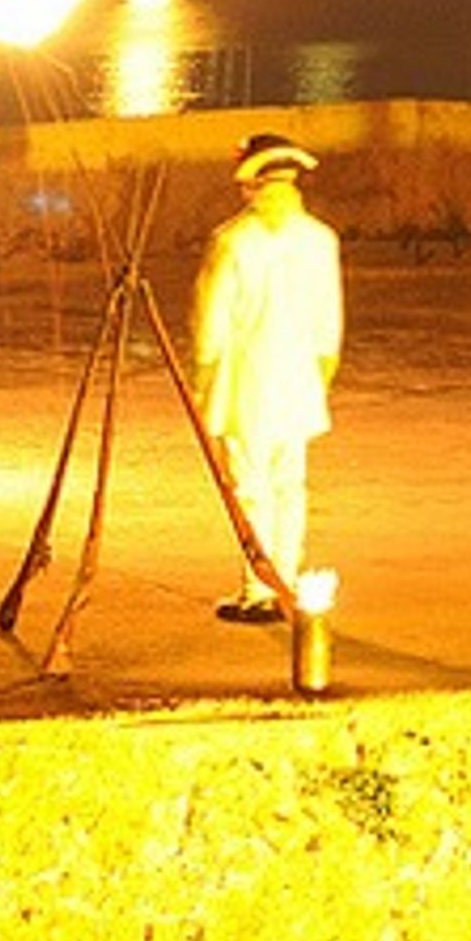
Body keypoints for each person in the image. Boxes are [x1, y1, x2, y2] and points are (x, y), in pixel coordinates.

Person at [190, 131, 341, 623]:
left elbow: (211, 321)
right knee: (290, 482)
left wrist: (201, 378)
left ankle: (258, 585)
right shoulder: (321, 239)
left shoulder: (233, 241)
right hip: (300, 377)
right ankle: (288, 578)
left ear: (251, 186)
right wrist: (322, 377)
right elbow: (329, 324)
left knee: (251, 484)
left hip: (247, 380)